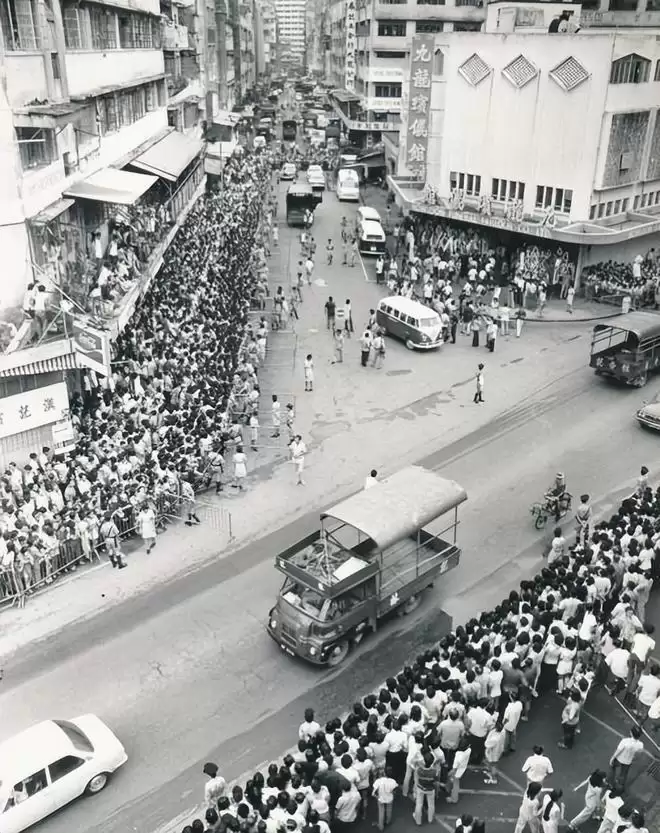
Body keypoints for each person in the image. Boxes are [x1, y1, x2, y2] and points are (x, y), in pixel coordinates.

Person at [412, 751, 439, 826]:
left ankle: (418, 821)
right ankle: (430, 819)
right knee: (431, 805)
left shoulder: (419, 770)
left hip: (420, 788)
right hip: (430, 789)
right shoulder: (434, 771)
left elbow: (416, 778)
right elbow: (436, 780)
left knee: (419, 804)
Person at [372, 766, 398, 831]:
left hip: (381, 799)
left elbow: (373, 793)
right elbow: (394, 791)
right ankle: (388, 821)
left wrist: (377, 797)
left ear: (384, 773)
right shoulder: (393, 781)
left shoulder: (378, 781)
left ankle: (381, 826)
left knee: (381, 812)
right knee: (389, 810)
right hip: (389, 799)